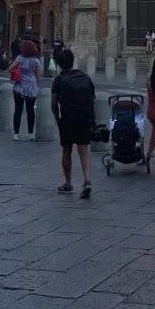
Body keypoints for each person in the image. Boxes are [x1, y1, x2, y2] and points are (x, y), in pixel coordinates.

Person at [51, 48, 95, 198]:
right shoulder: (84, 77)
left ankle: (68, 183)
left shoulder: (59, 80)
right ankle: (87, 180)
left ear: (59, 64)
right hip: (84, 117)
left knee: (66, 151)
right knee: (84, 150)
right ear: (72, 62)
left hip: (68, 118)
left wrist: (57, 119)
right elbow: (92, 98)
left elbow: (53, 103)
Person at [9, 38, 41, 140]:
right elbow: (38, 76)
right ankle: (31, 134)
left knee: (18, 110)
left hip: (19, 86)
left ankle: (16, 134)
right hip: (31, 87)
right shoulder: (36, 61)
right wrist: (37, 86)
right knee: (30, 111)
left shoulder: (19, 58)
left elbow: (10, 68)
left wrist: (18, 71)